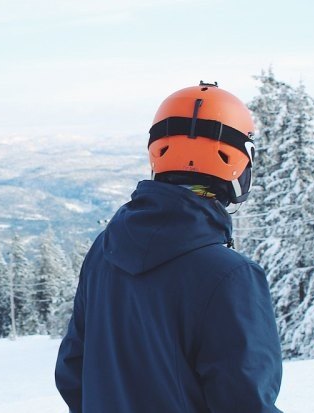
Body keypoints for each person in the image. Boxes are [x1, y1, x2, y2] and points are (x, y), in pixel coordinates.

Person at [55, 82, 283, 412]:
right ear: (239, 160)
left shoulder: (105, 250)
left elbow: (73, 371)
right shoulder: (231, 276)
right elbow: (245, 403)